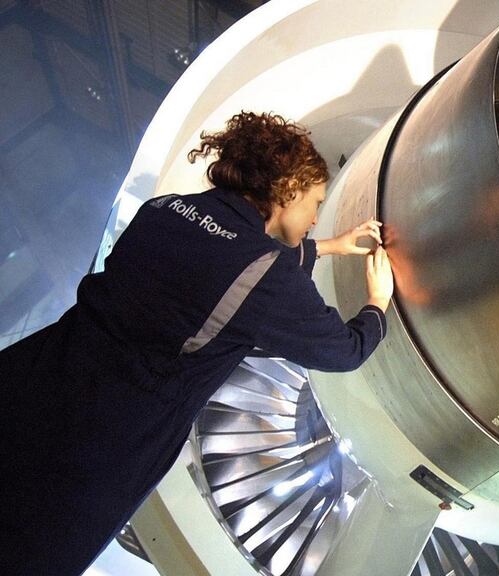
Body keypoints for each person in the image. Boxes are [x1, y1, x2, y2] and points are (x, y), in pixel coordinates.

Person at [0, 111, 393, 575]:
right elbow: (343, 350)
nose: (314, 218)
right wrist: (377, 303)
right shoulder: (266, 275)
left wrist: (329, 246)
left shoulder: (164, 208)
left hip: (30, 378)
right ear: (289, 188)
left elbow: (221, 263)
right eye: (315, 202)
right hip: (94, 447)